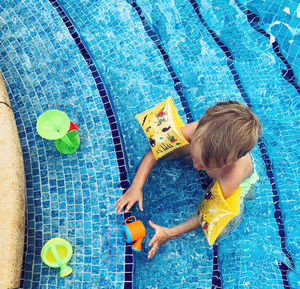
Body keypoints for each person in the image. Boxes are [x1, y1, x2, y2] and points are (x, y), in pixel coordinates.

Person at [115, 100, 262, 258]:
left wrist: (170, 233)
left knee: (225, 224)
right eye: (194, 157)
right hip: (211, 152)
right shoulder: (199, 130)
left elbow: (206, 214)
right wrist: (136, 186)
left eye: (204, 165)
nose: (196, 166)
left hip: (237, 185)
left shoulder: (232, 175)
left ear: (228, 163)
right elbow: (155, 149)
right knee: (172, 148)